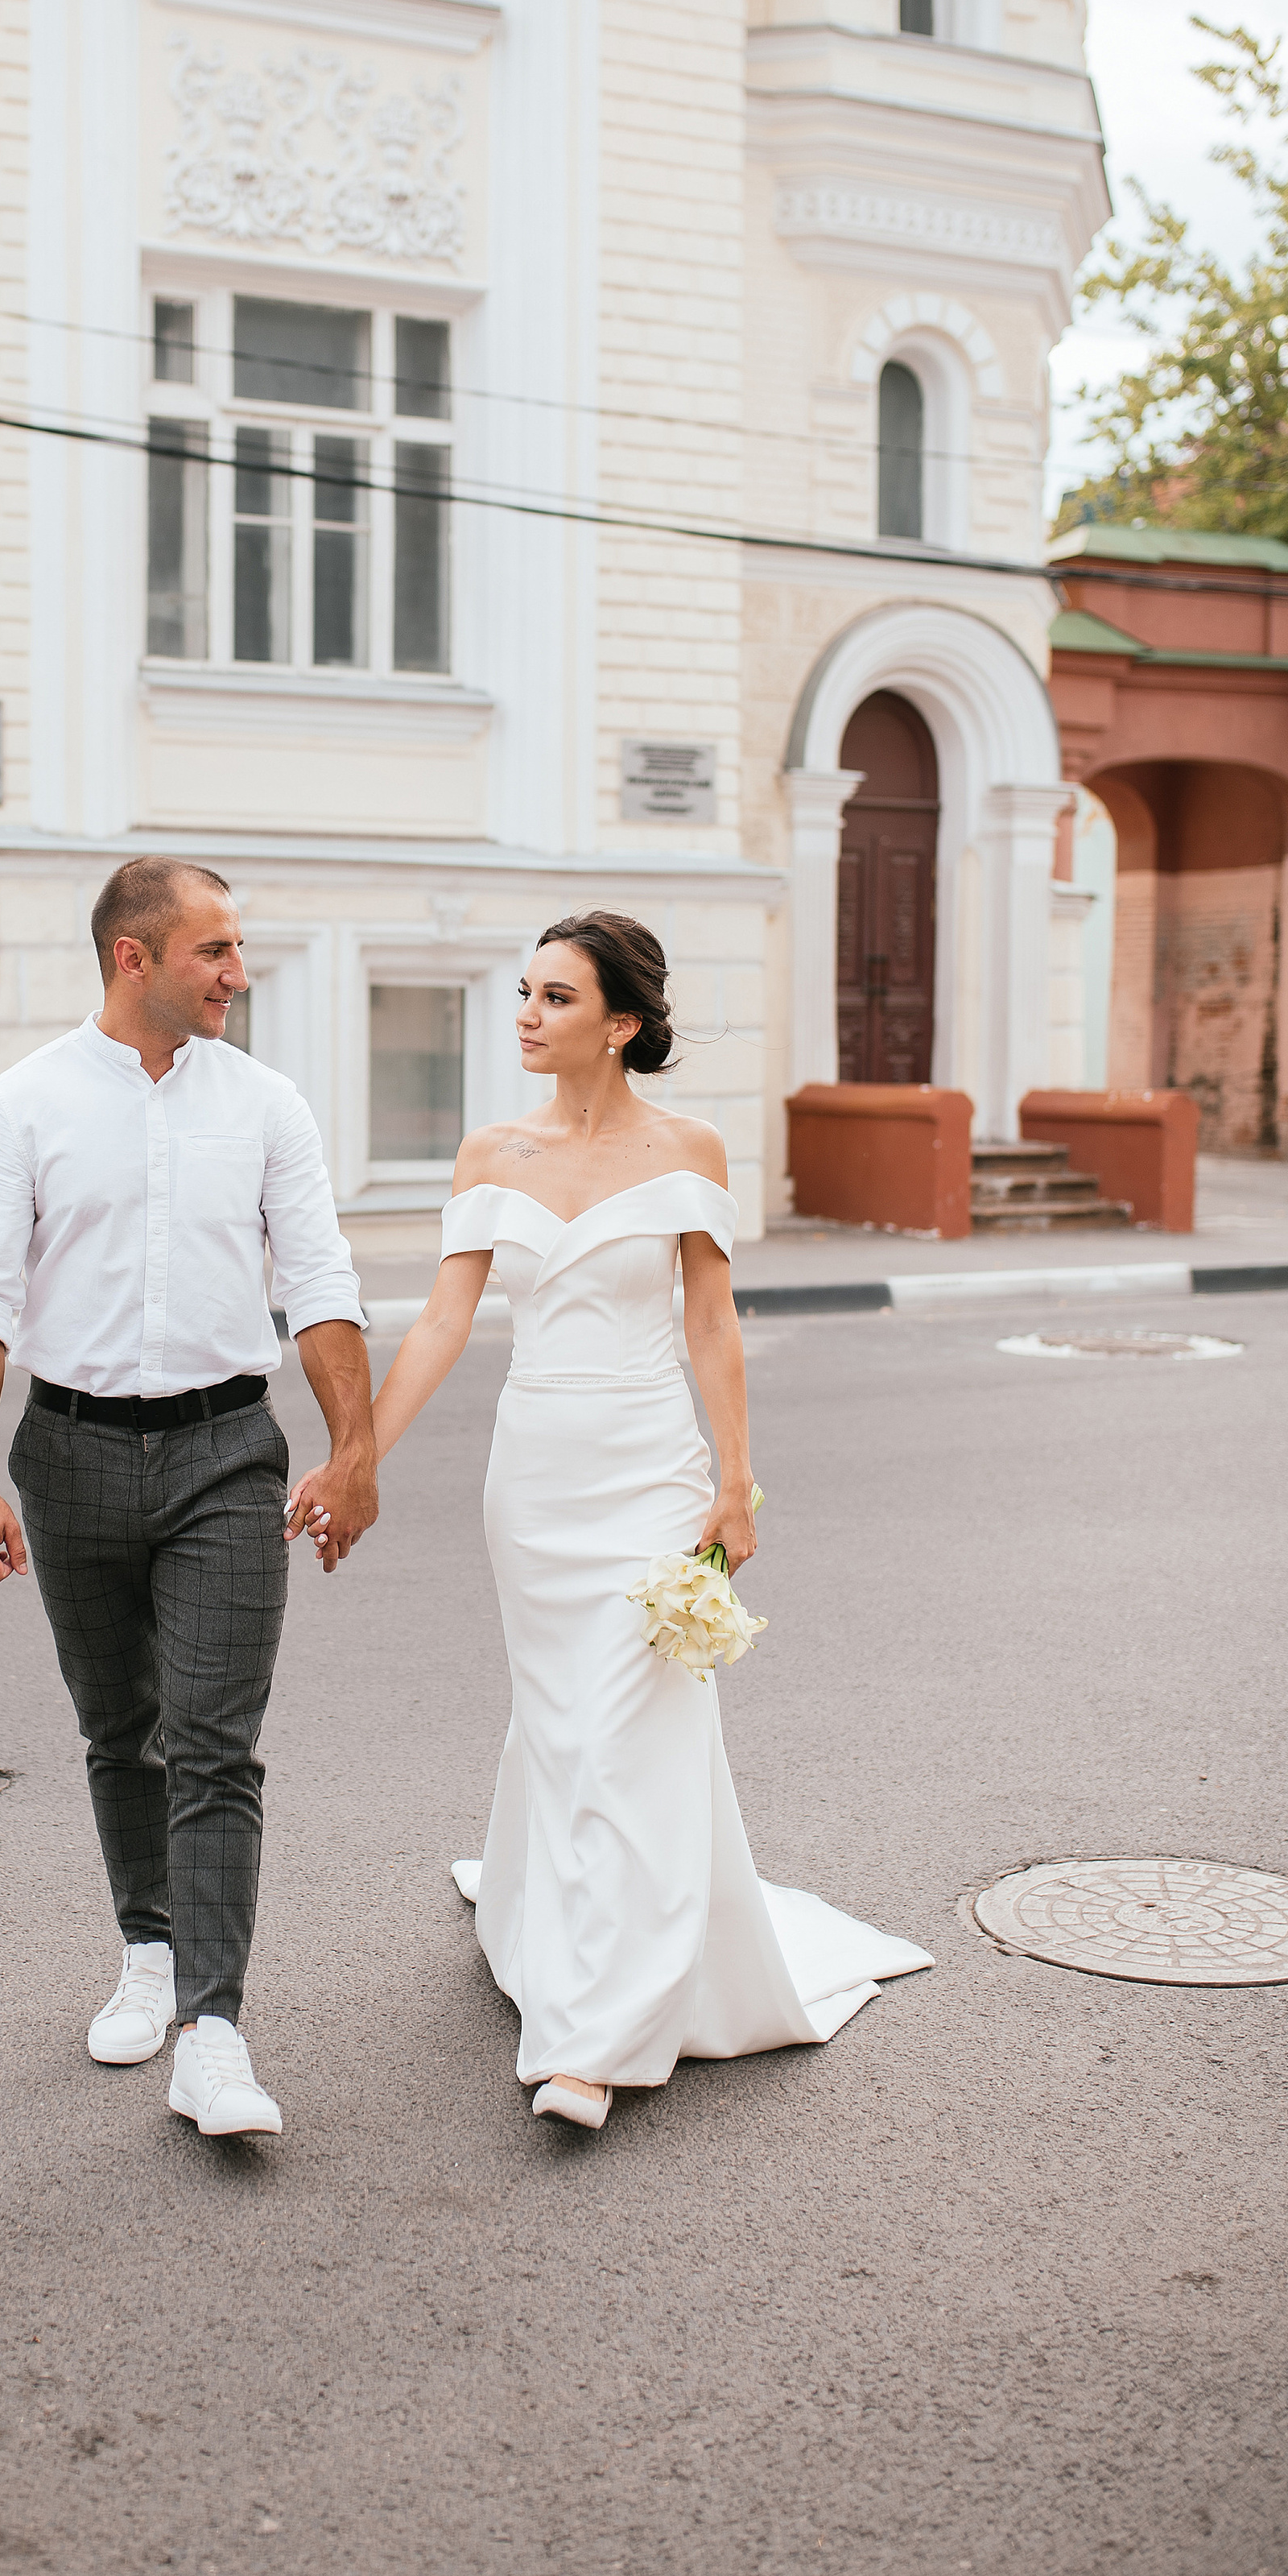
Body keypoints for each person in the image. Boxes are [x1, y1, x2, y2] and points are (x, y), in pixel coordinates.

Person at [369, 910, 931, 2129]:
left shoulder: (690, 1148)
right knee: (565, 1724)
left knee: (633, 1731)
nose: (525, 1013)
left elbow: (709, 1323)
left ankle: (598, 2042)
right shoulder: (489, 1153)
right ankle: (551, 1922)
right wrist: (358, 1450)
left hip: (649, 1467)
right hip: (535, 1479)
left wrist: (734, 1480)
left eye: (556, 998)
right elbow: (442, 1325)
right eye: (525, 992)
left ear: (621, 1024)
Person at [0, 855, 378, 2141]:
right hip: (67, 1453)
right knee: (118, 1726)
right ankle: (149, 1948)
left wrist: (353, 1450)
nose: (240, 974)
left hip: (226, 1454)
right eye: (216, 953)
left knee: (215, 1739)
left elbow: (323, 1282)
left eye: (238, 951)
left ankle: (217, 2033)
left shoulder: (268, 1105)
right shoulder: (21, 1106)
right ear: (136, 959)